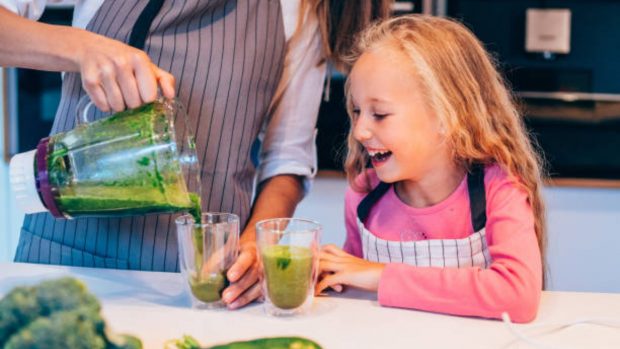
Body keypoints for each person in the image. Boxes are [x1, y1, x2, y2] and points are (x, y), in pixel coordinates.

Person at [0, 0, 392, 309]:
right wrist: (81, 48)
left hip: (202, 277)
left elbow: (286, 161)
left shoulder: (301, 8)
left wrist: (255, 247)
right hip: (67, 257)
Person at [315, 14, 546, 323]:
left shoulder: (497, 189)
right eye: (357, 111)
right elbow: (354, 293)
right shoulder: (364, 196)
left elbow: (517, 296)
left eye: (380, 114)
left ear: (447, 115)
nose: (359, 131)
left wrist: (382, 276)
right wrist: (326, 276)